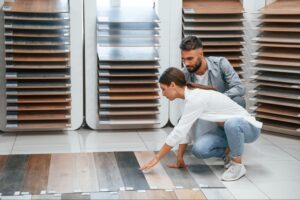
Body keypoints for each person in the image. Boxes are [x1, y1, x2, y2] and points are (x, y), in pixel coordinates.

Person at [140, 67, 262, 181]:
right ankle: (228, 155)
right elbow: (185, 129)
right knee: (199, 149)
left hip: (248, 129)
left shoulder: (196, 98)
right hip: (226, 131)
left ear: (172, 85)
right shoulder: (190, 98)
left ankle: (237, 166)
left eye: (163, 89)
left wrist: (157, 158)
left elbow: (178, 132)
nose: (163, 94)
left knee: (232, 123)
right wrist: (179, 158)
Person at [180, 36, 246, 108]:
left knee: (238, 100)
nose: (186, 63)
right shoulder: (184, 74)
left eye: (190, 59)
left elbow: (239, 88)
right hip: (202, 111)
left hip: (222, 106)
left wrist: (218, 98)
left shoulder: (220, 64)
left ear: (201, 54)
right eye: (184, 59)